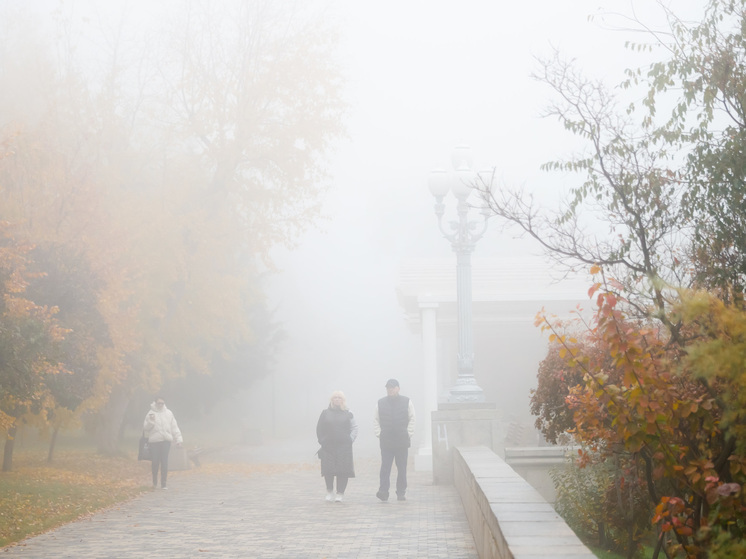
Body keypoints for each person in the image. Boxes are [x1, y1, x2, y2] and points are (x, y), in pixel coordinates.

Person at [374, 378, 415, 502]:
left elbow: (412, 418)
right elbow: (376, 420)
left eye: (392, 387)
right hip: (386, 441)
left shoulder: (407, 402)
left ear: (398, 388)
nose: (390, 389)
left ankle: (401, 491)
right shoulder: (380, 403)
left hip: (401, 441)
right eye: (388, 388)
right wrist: (379, 434)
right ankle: (383, 491)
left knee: (401, 468)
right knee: (385, 468)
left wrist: (408, 434)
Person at [316, 390, 358, 502]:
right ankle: (329, 491)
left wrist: (350, 440)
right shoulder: (325, 413)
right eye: (335, 397)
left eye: (339, 397)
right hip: (328, 446)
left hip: (344, 447)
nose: (337, 399)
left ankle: (340, 493)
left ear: (343, 400)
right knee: (328, 470)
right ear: (332, 400)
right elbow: (319, 428)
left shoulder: (349, 413)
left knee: (343, 470)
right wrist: (322, 441)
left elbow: (354, 428)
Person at [143, 395, 183, 490]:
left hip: (166, 441)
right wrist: (151, 422)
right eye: (159, 403)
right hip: (154, 442)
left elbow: (174, 427)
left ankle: (164, 483)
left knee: (164, 462)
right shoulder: (150, 413)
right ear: (155, 403)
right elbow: (145, 428)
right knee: (155, 462)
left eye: (162, 403)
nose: (160, 405)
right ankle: (154, 482)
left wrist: (178, 439)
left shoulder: (169, 413)